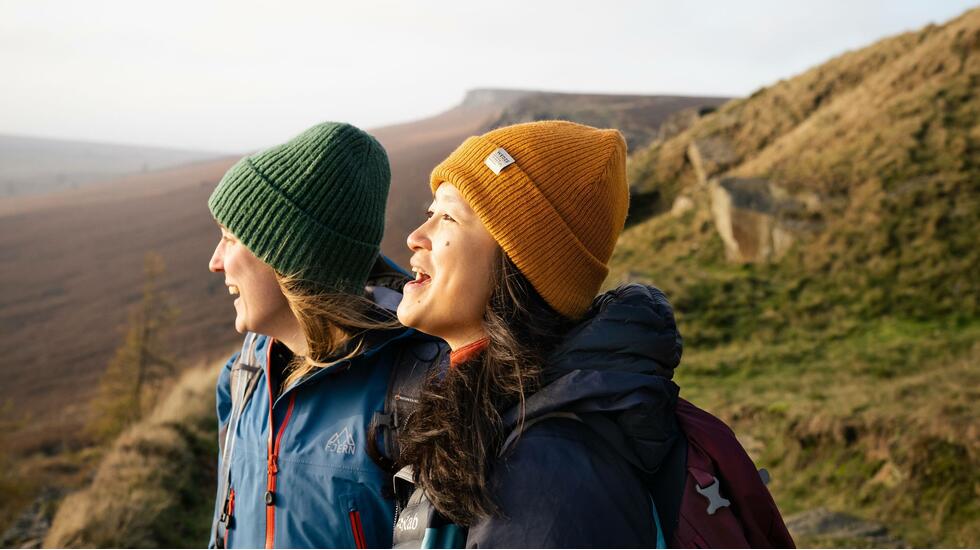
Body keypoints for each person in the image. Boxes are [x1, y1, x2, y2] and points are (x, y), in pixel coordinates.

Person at [393, 120, 683, 548]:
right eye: (429, 214)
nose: (415, 237)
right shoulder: (485, 413)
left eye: (449, 217)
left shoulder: (545, 466)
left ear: (519, 266)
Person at [205, 122, 445, 549]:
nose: (215, 262)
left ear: (289, 257)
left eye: (229, 238)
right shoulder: (242, 377)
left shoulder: (422, 393)